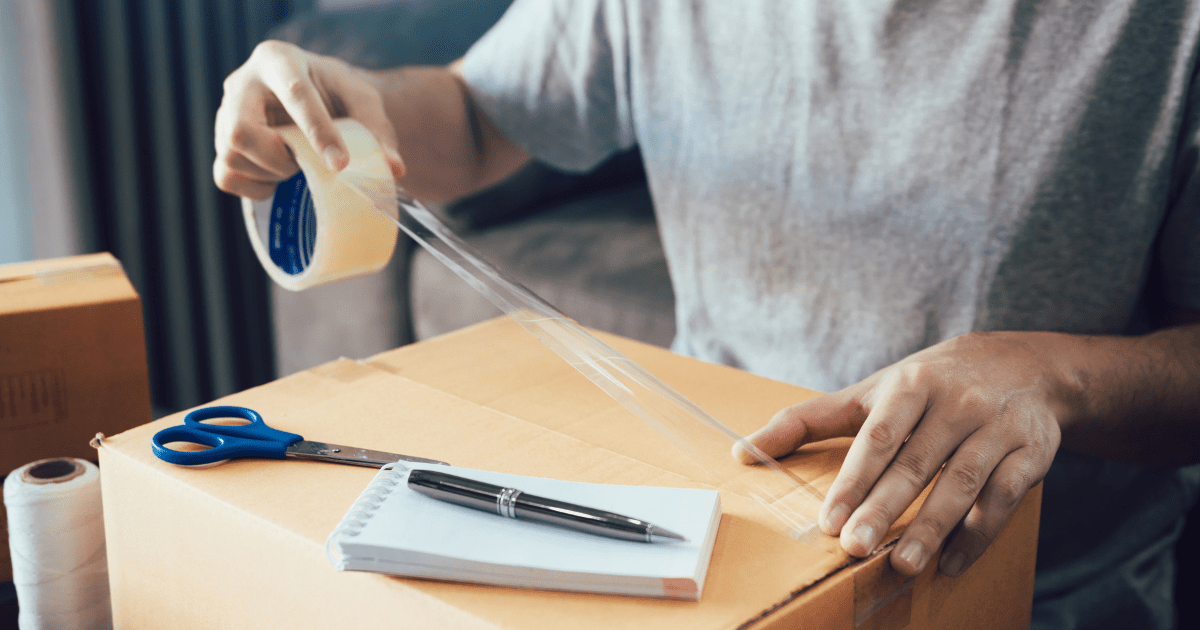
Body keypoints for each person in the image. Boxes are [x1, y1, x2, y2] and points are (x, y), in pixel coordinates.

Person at [213, 1, 1200, 627]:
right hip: (715, 555)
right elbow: (476, 119)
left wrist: (1053, 377)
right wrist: (354, 109)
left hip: (1038, 589)